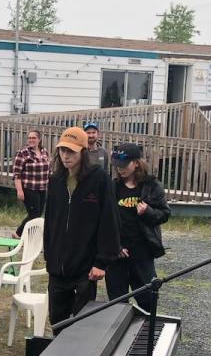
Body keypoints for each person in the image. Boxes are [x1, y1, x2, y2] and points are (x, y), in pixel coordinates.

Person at [43, 127, 120, 329]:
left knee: (81, 325)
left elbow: (109, 221)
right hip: (57, 267)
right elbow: (50, 221)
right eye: (62, 151)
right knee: (57, 323)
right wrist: (49, 256)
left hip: (85, 268)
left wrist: (102, 262)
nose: (66, 156)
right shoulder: (55, 180)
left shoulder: (99, 179)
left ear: (83, 152)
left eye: (71, 151)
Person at [105, 143, 170, 308]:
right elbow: (105, 220)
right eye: (117, 166)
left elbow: (164, 214)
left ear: (136, 163)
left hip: (142, 253)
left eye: (124, 165)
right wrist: (115, 245)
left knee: (149, 300)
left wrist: (148, 211)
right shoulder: (113, 186)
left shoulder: (151, 185)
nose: (120, 169)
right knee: (117, 304)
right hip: (118, 255)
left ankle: (146, 333)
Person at [12, 129, 50, 238]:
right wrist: (19, 191)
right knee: (34, 215)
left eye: (34, 138)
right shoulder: (23, 153)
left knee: (37, 215)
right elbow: (17, 174)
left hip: (43, 188)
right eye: (29, 138)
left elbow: (48, 170)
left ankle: (28, 236)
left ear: (39, 139)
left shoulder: (44, 151)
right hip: (29, 188)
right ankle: (19, 233)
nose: (31, 140)